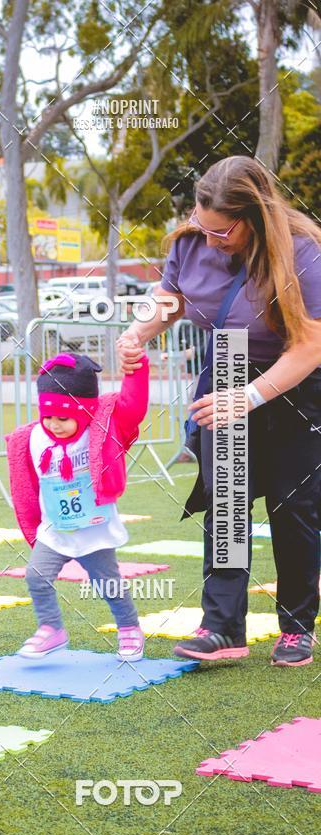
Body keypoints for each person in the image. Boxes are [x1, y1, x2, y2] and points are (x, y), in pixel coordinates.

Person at [117, 155, 321, 667]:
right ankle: (222, 627)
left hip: (294, 381)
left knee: (292, 507)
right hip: (225, 368)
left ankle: (297, 627)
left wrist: (250, 397)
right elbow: (170, 298)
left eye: (222, 232)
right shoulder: (192, 240)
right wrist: (138, 331)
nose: (209, 241)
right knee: (227, 505)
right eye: (201, 226)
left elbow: (312, 346)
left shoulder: (304, 253)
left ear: (253, 217)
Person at [6, 351, 149, 660]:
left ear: (85, 411)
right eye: (49, 417)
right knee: (36, 575)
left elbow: (132, 407)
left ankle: (128, 629)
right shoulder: (32, 439)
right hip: (55, 528)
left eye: (64, 418)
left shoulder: (101, 432)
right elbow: (25, 484)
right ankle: (52, 629)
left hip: (94, 529)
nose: (54, 425)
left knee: (108, 584)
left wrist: (137, 368)